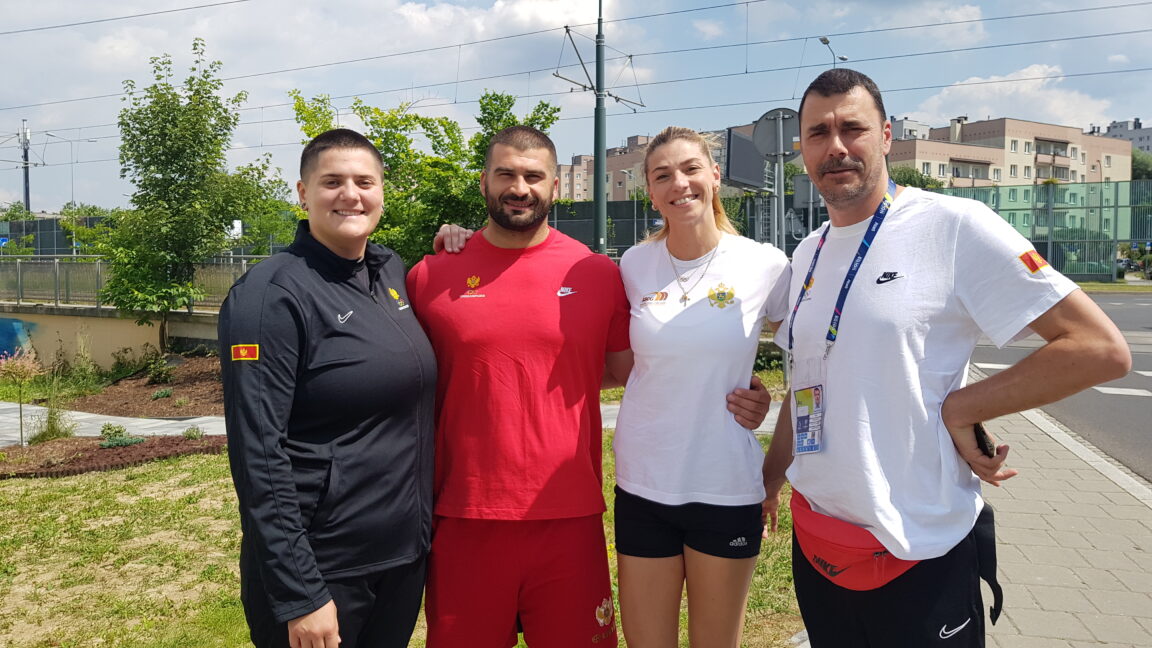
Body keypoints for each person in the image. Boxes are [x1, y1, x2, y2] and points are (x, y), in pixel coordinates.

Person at [761, 68, 1132, 647]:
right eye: (818, 133)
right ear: (801, 149)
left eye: (852, 128)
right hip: (821, 548)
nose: (835, 147)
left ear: (886, 135)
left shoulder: (953, 226)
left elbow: (1098, 348)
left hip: (920, 551)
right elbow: (806, 380)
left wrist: (962, 408)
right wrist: (769, 481)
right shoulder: (809, 251)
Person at [409, 125, 773, 648]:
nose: (519, 188)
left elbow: (632, 367)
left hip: (571, 516)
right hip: (465, 515)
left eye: (534, 176)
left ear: (556, 186)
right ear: (484, 181)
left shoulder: (597, 272)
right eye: (505, 174)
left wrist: (743, 384)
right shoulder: (431, 275)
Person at [220, 128, 436, 648]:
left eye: (364, 182)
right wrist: (300, 593)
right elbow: (258, 454)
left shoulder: (387, 272)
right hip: (324, 568)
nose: (350, 195)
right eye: (332, 182)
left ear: (382, 191)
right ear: (303, 193)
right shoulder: (270, 296)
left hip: (400, 557)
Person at [610, 126, 790, 648]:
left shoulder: (764, 263)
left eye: (691, 169)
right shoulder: (633, 264)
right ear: (650, 191)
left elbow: (811, 359)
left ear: (714, 176)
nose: (679, 183)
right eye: (663, 175)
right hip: (643, 484)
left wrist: (770, 417)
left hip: (725, 486)